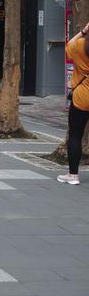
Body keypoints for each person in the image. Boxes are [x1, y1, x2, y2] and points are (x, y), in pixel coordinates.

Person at [58, 21, 89, 185]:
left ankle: (73, 175)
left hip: (82, 97)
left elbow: (68, 46)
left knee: (75, 135)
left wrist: (83, 31)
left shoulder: (81, 46)